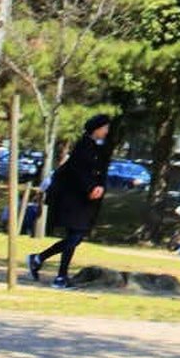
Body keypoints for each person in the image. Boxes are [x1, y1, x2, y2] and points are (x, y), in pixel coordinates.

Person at [27, 114, 114, 288]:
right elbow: (77, 171)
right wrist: (90, 188)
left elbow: (101, 171)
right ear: (96, 129)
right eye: (104, 128)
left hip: (89, 199)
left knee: (76, 237)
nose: (106, 132)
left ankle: (40, 260)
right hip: (75, 198)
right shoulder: (83, 146)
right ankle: (59, 275)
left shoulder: (100, 148)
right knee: (75, 236)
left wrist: (101, 187)